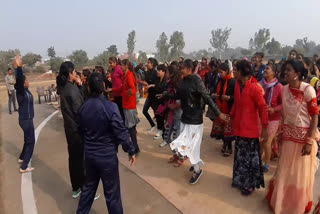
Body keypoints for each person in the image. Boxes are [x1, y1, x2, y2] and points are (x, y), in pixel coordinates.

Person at [76, 72, 136, 214]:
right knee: (112, 195)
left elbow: (80, 131)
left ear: (89, 88)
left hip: (90, 156)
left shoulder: (83, 108)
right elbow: (121, 132)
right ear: (103, 86)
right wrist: (130, 149)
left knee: (88, 190)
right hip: (107, 157)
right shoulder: (111, 107)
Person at [267, 60, 319, 214]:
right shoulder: (284, 89)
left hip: (304, 140)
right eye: (285, 70)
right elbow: (284, 111)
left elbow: (315, 116)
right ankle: (281, 202)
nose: (285, 73)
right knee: (284, 171)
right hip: (289, 137)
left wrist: (309, 141)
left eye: (288, 70)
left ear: (297, 74)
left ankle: (296, 206)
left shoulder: (308, 90)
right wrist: (280, 132)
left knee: (299, 175)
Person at [170, 59, 226, 184]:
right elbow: (179, 95)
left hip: (195, 119)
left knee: (192, 146)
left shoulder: (197, 81)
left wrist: (218, 113)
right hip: (186, 117)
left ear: (190, 68)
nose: (181, 70)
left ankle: (197, 170)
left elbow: (207, 97)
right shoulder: (183, 81)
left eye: (183, 68)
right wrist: (165, 95)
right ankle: (193, 162)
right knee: (185, 143)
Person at [230, 60, 268, 195]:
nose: (233, 71)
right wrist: (231, 116)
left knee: (249, 159)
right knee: (240, 156)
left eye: (235, 69)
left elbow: (263, 108)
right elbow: (236, 103)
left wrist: (264, 127)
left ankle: (249, 184)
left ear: (241, 72)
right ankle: (239, 179)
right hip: (239, 127)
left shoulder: (255, 87)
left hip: (250, 130)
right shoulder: (237, 84)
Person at [57, 61, 86, 198]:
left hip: (70, 129)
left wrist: (79, 86)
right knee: (80, 160)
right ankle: (85, 188)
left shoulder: (64, 87)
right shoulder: (72, 90)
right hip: (77, 130)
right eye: (74, 71)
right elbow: (80, 110)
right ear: (70, 74)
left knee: (74, 159)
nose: (76, 73)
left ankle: (76, 188)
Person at [13, 54, 35, 173]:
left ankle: (22, 157)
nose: (28, 82)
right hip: (25, 120)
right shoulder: (21, 92)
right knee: (31, 141)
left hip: (28, 119)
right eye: (26, 80)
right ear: (23, 83)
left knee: (27, 140)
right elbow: (20, 79)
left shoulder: (26, 91)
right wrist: (18, 68)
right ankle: (24, 166)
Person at [259, 63, 283, 172]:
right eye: (265, 68)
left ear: (273, 72)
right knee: (260, 140)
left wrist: (274, 109)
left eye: (267, 68)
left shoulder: (279, 87)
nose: (265, 70)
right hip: (261, 116)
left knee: (267, 141)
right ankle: (258, 159)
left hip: (273, 118)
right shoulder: (260, 84)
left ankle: (266, 164)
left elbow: (283, 104)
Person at [211, 63, 236, 157]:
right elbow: (217, 92)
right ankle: (224, 144)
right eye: (219, 72)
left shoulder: (233, 82)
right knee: (221, 130)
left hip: (229, 109)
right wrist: (215, 95)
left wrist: (229, 98)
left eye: (221, 72)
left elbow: (237, 96)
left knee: (227, 130)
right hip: (220, 108)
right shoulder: (220, 81)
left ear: (227, 71)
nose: (220, 74)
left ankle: (229, 147)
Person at [120, 59, 140, 154]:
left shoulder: (129, 76)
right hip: (126, 104)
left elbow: (133, 89)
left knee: (131, 128)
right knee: (130, 127)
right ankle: (135, 146)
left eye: (122, 65)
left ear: (126, 66)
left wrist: (128, 93)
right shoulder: (125, 75)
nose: (121, 67)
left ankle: (135, 147)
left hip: (129, 105)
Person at [159, 65, 182, 148]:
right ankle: (170, 144)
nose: (166, 74)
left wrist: (175, 105)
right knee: (168, 129)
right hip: (172, 108)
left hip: (177, 109)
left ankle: (177, 150)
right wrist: (164, 95)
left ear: (172, 74)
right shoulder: (170, 82)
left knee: (176, 131)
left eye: (168, 72)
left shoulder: (178, 84)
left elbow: (181, 98)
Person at [141, 58, 158, 133]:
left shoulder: (156, 73)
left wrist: (151, 85)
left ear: (153, 64)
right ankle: (153, 125)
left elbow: (158, 84)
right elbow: (147, 82)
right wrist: (146, 89)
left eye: (149, 62)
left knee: (157, 113)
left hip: (155, 96)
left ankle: (160, 129)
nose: (147, 64)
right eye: (147, 62)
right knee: (144, 111)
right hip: (149, 95)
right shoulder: (147, 73)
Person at [151, 64, 167, 140]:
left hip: (162, 101)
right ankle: (160, 130)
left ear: (163, 72)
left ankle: (162, 131)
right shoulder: (157, 80)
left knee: (161, 117)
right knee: (157, 116)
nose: (158, 72)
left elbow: (164, 90)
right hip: (156, 101)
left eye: (159, 70)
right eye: (158, 70)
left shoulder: (166, 81)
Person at [109, 57, 125, 121]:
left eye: (111, 63)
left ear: (115, 62)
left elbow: (124, 77)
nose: (110, 64)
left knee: (122, 112)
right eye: (109, 63)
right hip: (115, 94)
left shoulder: (119, 69)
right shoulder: (113, 70)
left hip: (121, 94)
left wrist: (122, 85)